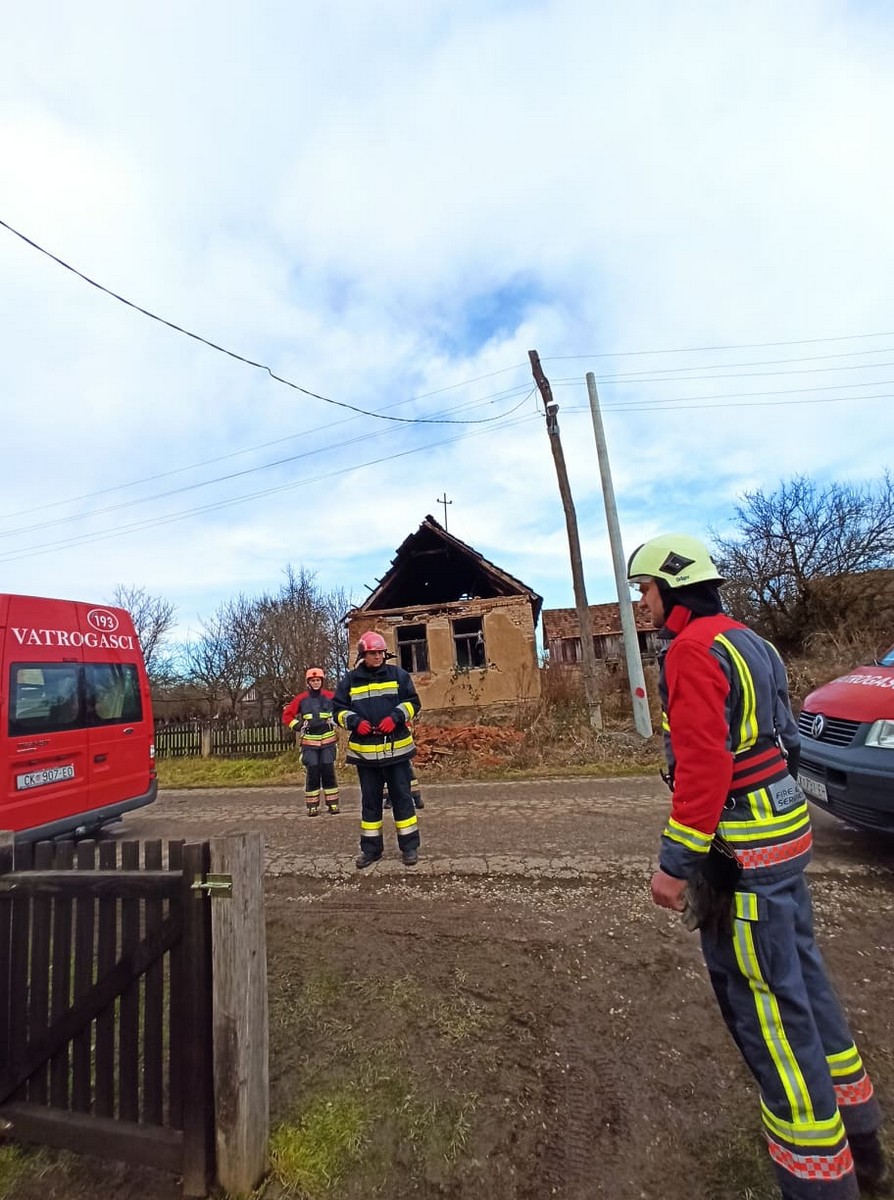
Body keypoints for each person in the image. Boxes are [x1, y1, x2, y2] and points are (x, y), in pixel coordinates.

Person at [627, 533, 886, 1200]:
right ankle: (863, 1141)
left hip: (741, 855)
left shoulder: (690, 651)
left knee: (769, 1012)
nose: (640, 604)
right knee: (805, 981)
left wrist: (674, 864)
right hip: (786, 837)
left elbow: (704, 767)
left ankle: (819, 1181)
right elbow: (788, 739)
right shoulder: (753, 641)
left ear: (674, 589)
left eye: (645, 590)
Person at [332, 630, 422, 868]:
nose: (378, 656)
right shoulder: (350, 680)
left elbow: (413, 702)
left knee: (402, 799)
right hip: (365, 754)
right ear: (363, 655)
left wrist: (395, 718)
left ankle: (409, 848)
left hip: (396, 750)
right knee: (370, 803)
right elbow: (337, 710)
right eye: (373, 653)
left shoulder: (398, 675)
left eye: (381, 652)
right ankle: (371, 850)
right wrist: (354, 722)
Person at [282, 667, 340, 816]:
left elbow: (341, 710)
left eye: (318, 680)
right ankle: (312, 806)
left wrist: (336, 720)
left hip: (328, 739)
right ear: (308, 682)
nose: (315, 683)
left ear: (322, 681)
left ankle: (333, 804)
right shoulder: (301, 699)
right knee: (313, 770)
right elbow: (287, 715)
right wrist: (298, 725)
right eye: (313, 680)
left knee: (328, 769)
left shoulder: (330, 696)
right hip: (309, 742)